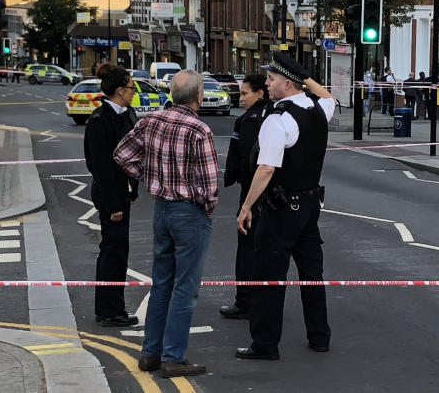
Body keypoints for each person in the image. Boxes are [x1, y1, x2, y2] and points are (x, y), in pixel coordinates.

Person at [114, 69, 219, 379]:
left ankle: (150, 354)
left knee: (161, 283)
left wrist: (148, 176)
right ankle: (174, 357)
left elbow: (121, 155)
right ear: (199, 96)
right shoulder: (199, 130)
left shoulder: (150, 121)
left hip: (161, 210)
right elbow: (211, 182)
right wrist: (208, 205)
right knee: (185, 288)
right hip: (189, 212)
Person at [235, 52, 335, 361]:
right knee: (311, 275)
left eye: (272, 79)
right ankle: (319, 337)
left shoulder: (278, 120)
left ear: (287, 84)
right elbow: (327, 94)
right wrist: (305, 80)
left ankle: (265, 345)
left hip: (280, 210)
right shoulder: (319, 110)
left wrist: (246, 207)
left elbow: (265, 169)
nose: (266, 84)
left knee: (269, 277)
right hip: (309, 207)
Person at [83, 64, 140, 328]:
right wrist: (113, 203)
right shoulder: (99, 120)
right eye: (130, 87)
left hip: (122, 193)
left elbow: (134, 153)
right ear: (119, 90)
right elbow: (100, 166)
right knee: (111, 252)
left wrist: (133, 189)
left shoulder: (128, 114)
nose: (133, 92)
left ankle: (115, 307)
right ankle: (108, 311)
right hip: (110, 197)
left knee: (119, 252)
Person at [219, 73, 270, 320]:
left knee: (247, 248)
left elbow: (249, 159)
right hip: (271, 193)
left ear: (260, 93)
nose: (241, 98)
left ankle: (245, 301)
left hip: (253, 191)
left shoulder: (249, 121)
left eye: (245, 93)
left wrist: (245, 198)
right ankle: (264, 300)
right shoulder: (275, 115)